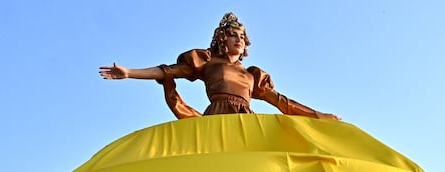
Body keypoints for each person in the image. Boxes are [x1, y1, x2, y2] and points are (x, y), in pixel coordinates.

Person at [99, 13, 340, 120]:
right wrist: (129, 73)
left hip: (246, 120)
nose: (239, 40)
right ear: (222, 39)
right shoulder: (206, 61)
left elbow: (282, 103)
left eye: (242, 37)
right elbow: (166, 71)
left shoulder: (252, 75)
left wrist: (319, 116)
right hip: (217, 116)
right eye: (233, 35)